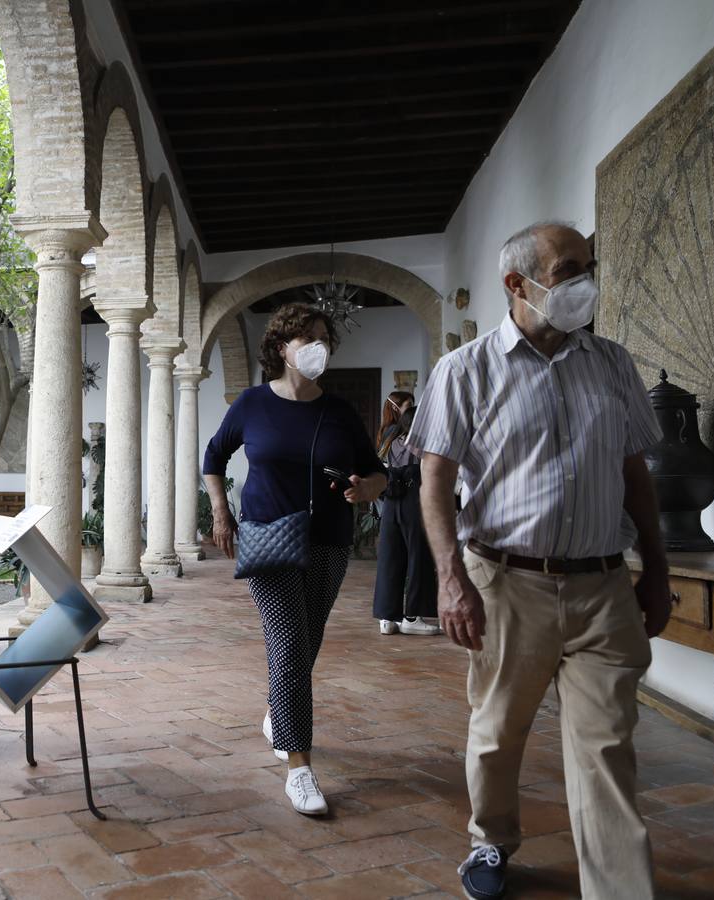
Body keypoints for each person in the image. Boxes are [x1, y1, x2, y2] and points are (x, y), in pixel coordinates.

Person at [408, 221, 671, 900]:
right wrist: (451, 580)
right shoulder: (465, 371)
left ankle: (618, 890)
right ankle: (491, 843)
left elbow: (634, 472)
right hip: (506, 583)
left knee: (607, 746)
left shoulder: (612, 363)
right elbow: (433, 481)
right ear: (516, 284)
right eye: (568, 269)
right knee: (497, 732)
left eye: (589, 265)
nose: (585, 281)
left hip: (604, 584)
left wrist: (658, 570)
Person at [203, 302, 387, 816]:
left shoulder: (341, 412)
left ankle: (278, 713)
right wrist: (221, 512)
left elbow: (378, 473)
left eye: (324, 337)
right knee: (287, 641)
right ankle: (299, 769)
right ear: (282, 348)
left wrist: (366, 488)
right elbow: (214, 457)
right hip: (267, 540)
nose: (318, 346)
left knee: (308, 640)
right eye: (307, 337)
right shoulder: (252, 404)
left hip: (328, 538)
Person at [372, 395, 440, 635]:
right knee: (417, 555)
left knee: (390, 557)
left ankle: (386, 618)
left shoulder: (390, 439)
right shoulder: (422, 445)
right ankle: (412, 616)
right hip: (414, 500)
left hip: (391, 500)